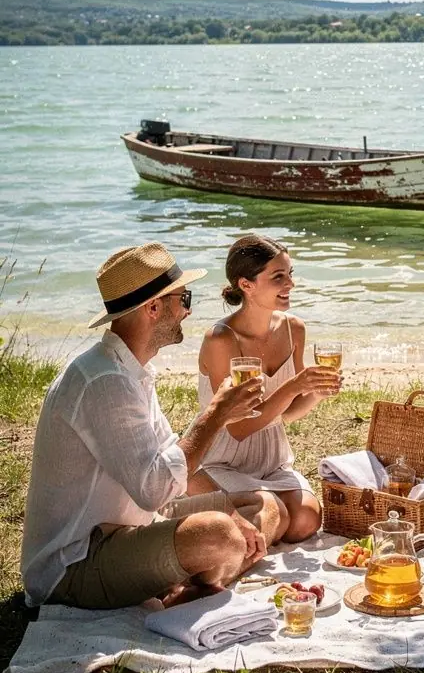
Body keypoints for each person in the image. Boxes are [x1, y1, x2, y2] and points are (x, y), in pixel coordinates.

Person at [22, 242, 275, 610]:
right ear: (153, 308)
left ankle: (194, 579)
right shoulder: (104, 382)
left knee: (264, 506)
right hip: (76, 562)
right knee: (220, 534)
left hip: (133, 527)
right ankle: (196, 582)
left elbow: (176, 462)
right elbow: (155, 490)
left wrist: (232, 511)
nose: (188, 311)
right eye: (183, 299)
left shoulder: (131, 371)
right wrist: (216, 414)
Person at [196, 234, 340, 544]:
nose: (290, 284)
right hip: (222, 461)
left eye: (290, 274)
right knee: (278, 516)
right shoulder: (221, 339)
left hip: (272, 462)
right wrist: (294, 385)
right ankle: (210, 515)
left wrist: (316, 392)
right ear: (246, 284)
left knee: (306, 520)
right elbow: (238, 427)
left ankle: (249, 522)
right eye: (278, 277)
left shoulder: (293, 328)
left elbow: (286, 414)